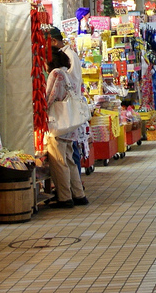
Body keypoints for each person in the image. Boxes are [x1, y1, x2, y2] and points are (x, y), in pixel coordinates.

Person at [44, 27, 89, 208]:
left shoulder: (55, 74)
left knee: (59, 162)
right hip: (71, 124)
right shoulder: (66, 71)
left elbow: (50, 97)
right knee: (69, 160)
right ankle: (79, 194)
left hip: (59, 124)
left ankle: (64, 197)